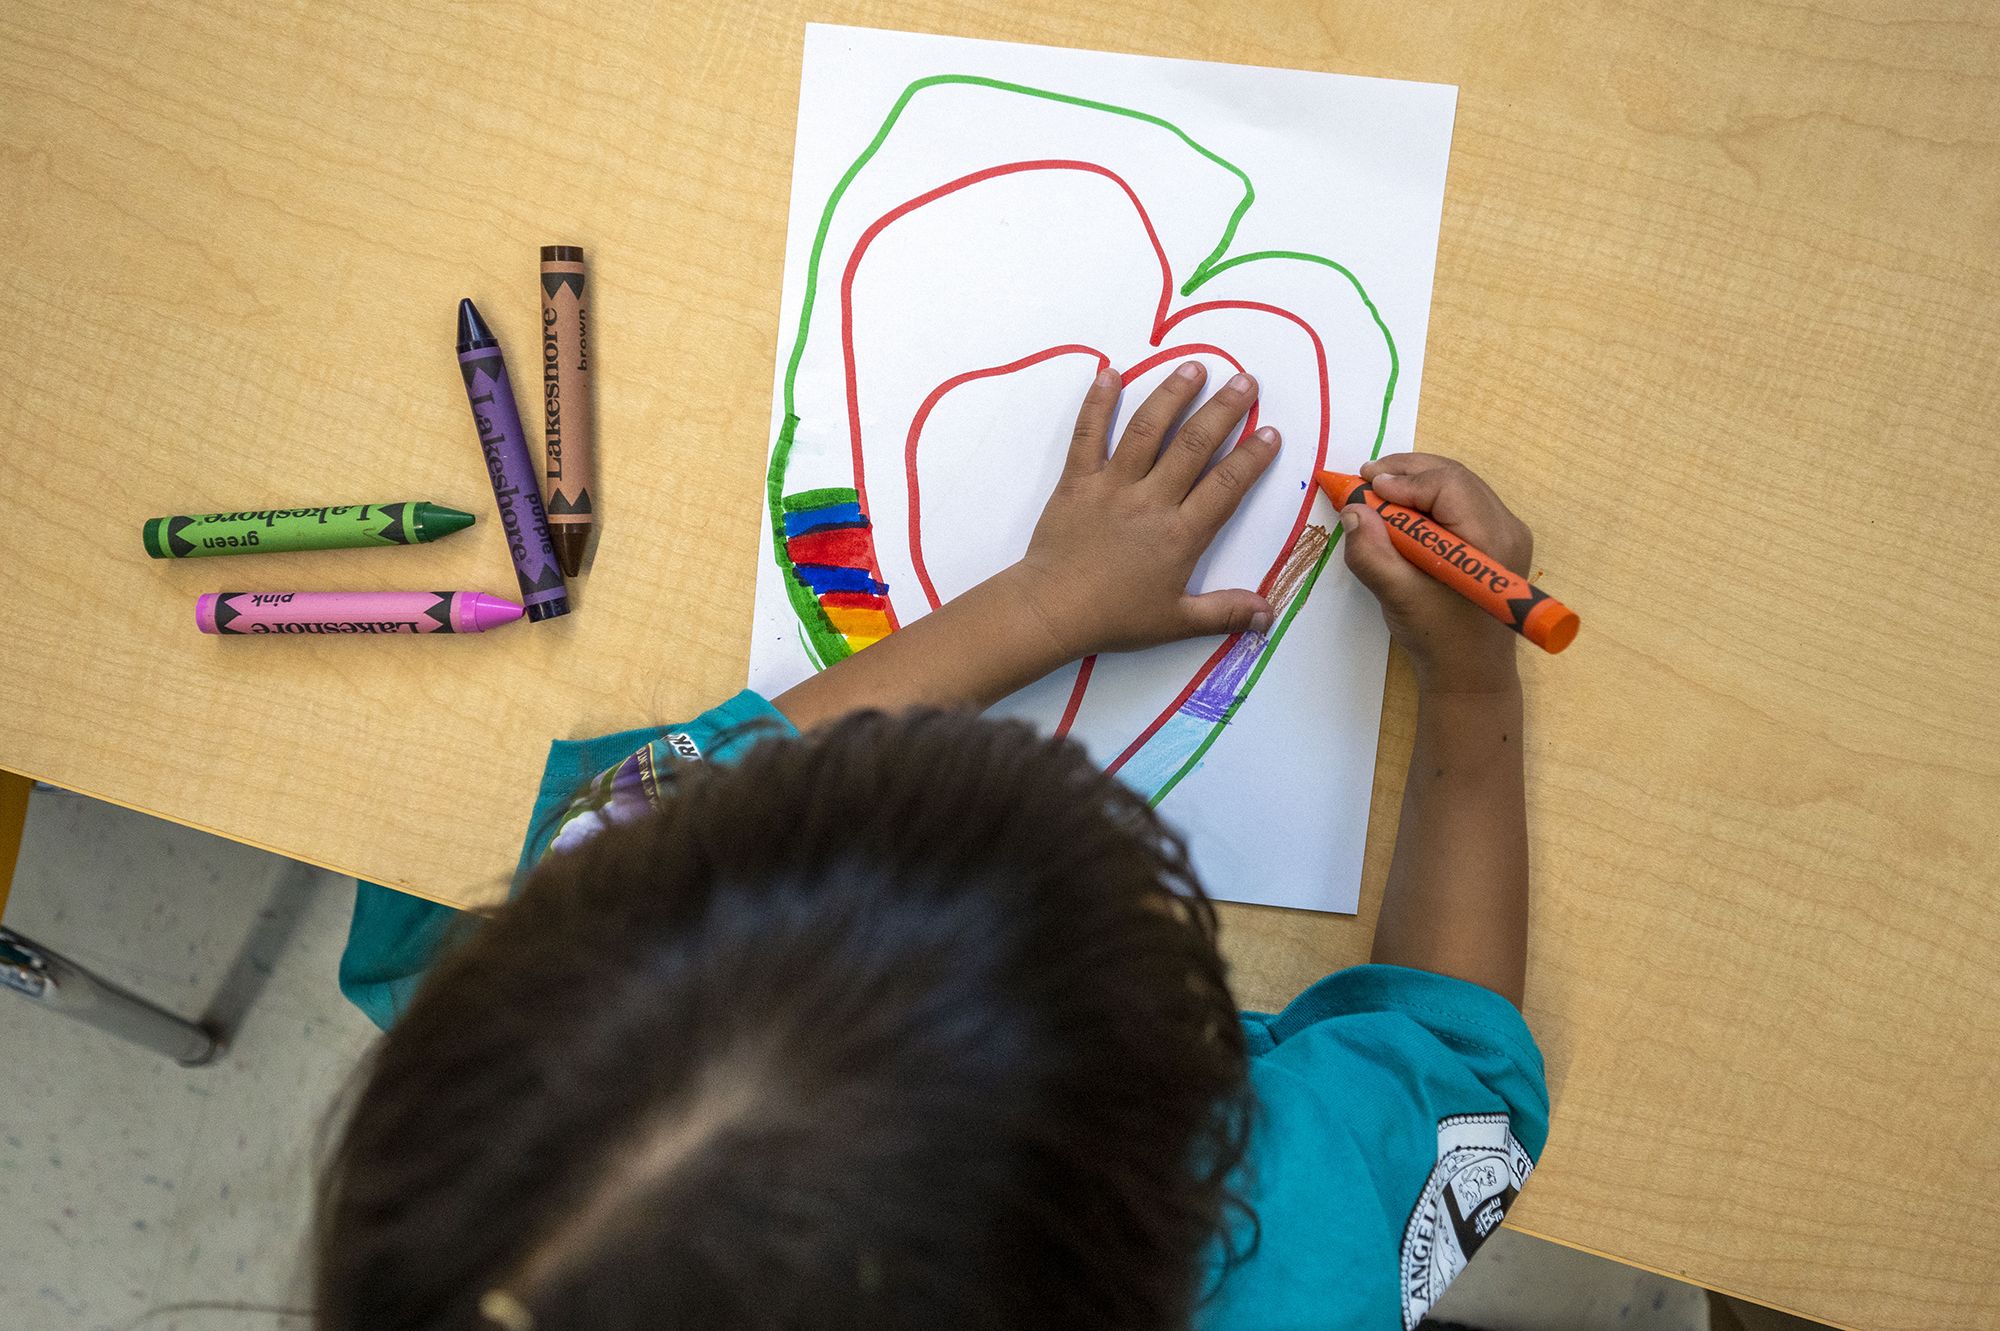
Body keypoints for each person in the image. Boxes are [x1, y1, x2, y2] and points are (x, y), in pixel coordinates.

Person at [318, 362, 1547, 1331]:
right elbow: (1452, 1059)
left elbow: (665, 821)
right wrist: (1471, 682)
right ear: (1171, 1153)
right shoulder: (1286, 1263)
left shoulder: (566, 995)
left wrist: (1042, 602)